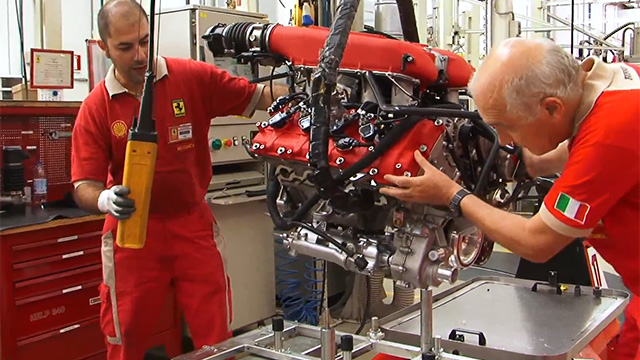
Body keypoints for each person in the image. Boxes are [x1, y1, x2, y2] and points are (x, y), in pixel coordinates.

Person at [379, 38, 640, 359]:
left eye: (505, 127)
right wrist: (532, 164)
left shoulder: (611, 133)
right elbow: (586, 140)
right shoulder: (611, 83)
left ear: (551, 107)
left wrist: (452, 194)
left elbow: (538, 242)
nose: (504, 140)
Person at [70, 1, 289, 359]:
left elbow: (259, 96)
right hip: (132, 232)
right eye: (126, 47)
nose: (140, 55)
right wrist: (104, 198)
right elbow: (82, 185)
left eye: (144, 41)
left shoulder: (191, 77)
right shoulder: (97, 107)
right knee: (124, 338)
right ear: (103, 47)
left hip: (192, 226)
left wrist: (314, 97)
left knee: (216, 336)